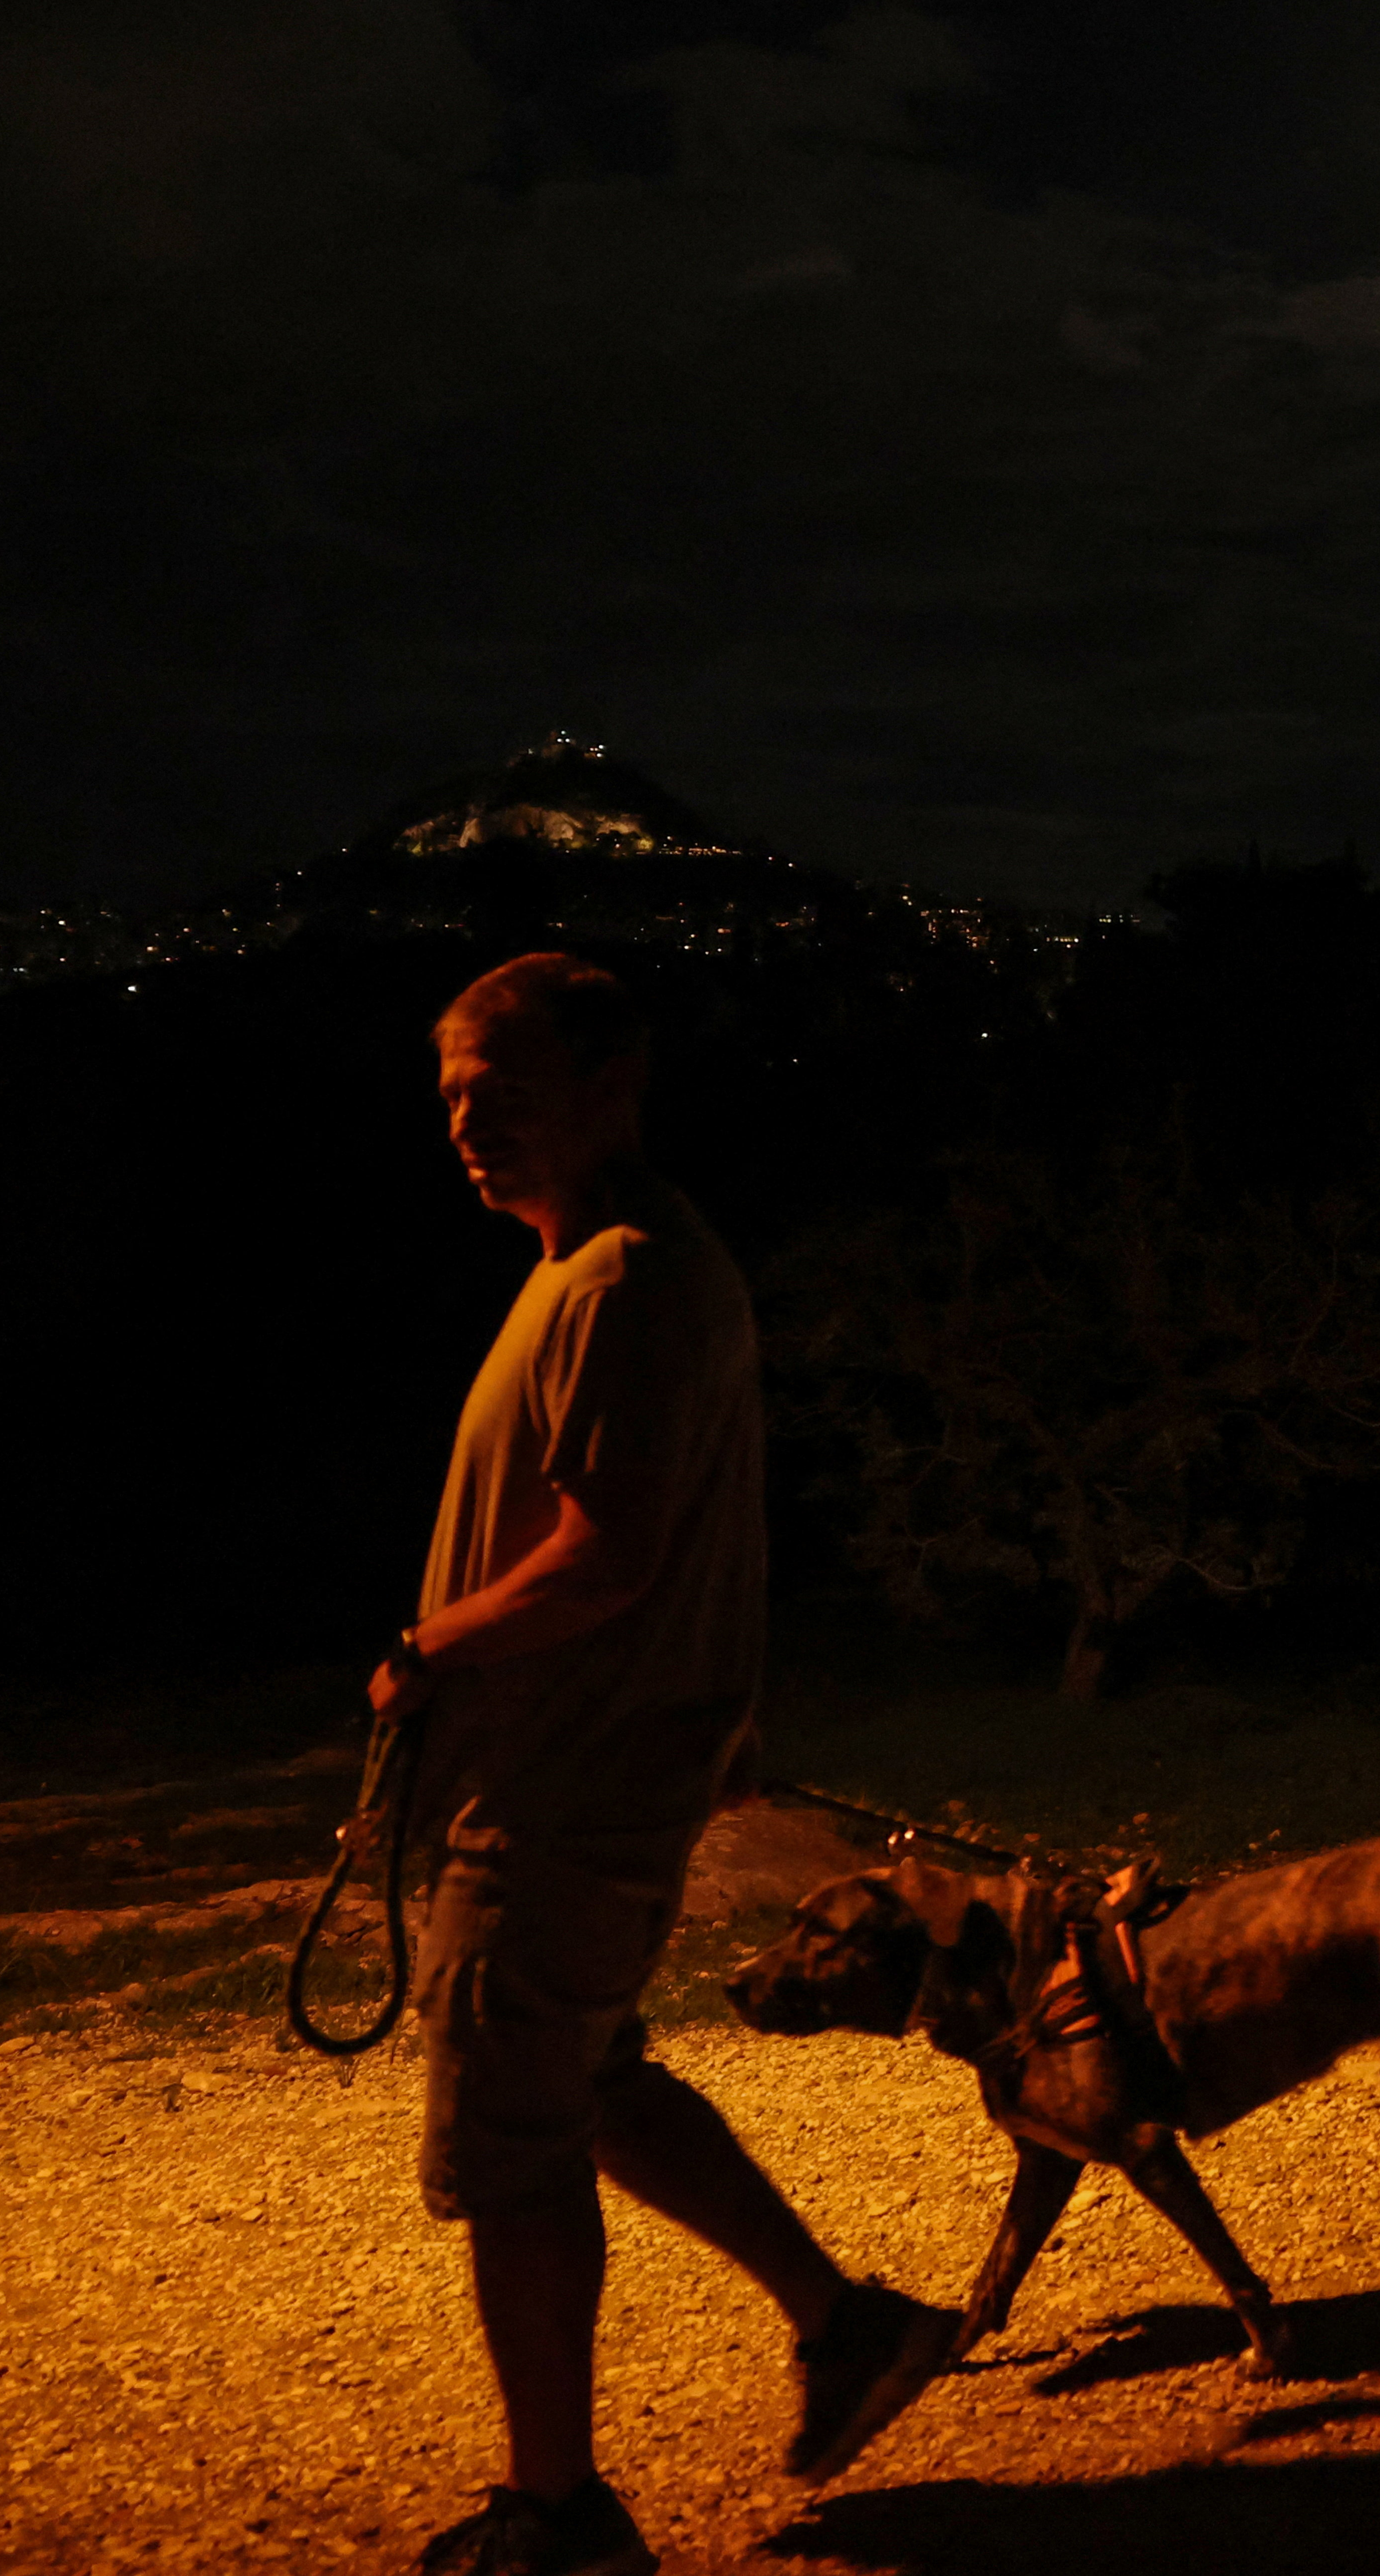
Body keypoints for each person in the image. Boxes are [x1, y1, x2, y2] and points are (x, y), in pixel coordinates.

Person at [374, 953, 952, 2576]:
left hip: (561, 1788)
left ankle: (556, 2514)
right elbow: (693, 1532)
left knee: (514, 2145)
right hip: (597, 1769)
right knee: (594, 2081)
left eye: (505, 1090)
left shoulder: (628, 1281)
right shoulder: (617, 1270)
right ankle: (847, 2325)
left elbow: (608, 1555)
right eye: (453, 1099)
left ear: (614, 1083)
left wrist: (431, 1651)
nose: (469, 1128)